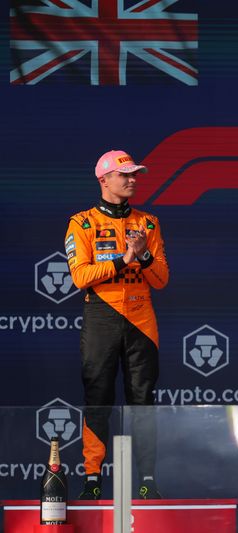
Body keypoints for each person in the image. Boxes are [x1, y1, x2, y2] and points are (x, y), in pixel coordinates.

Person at [64, 150, 169, 499]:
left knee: (143, 399)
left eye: (134, 174)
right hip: (101, 315)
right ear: (104, 180)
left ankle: (148, 481)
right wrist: (124, 260)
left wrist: (144, 254)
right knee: (98, 396)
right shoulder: (82, 223)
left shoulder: (148, 223)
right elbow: (81, 277)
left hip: (141, 316)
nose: (132, 180)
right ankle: (92, 479)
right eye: (124, 175)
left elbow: (161, 279)